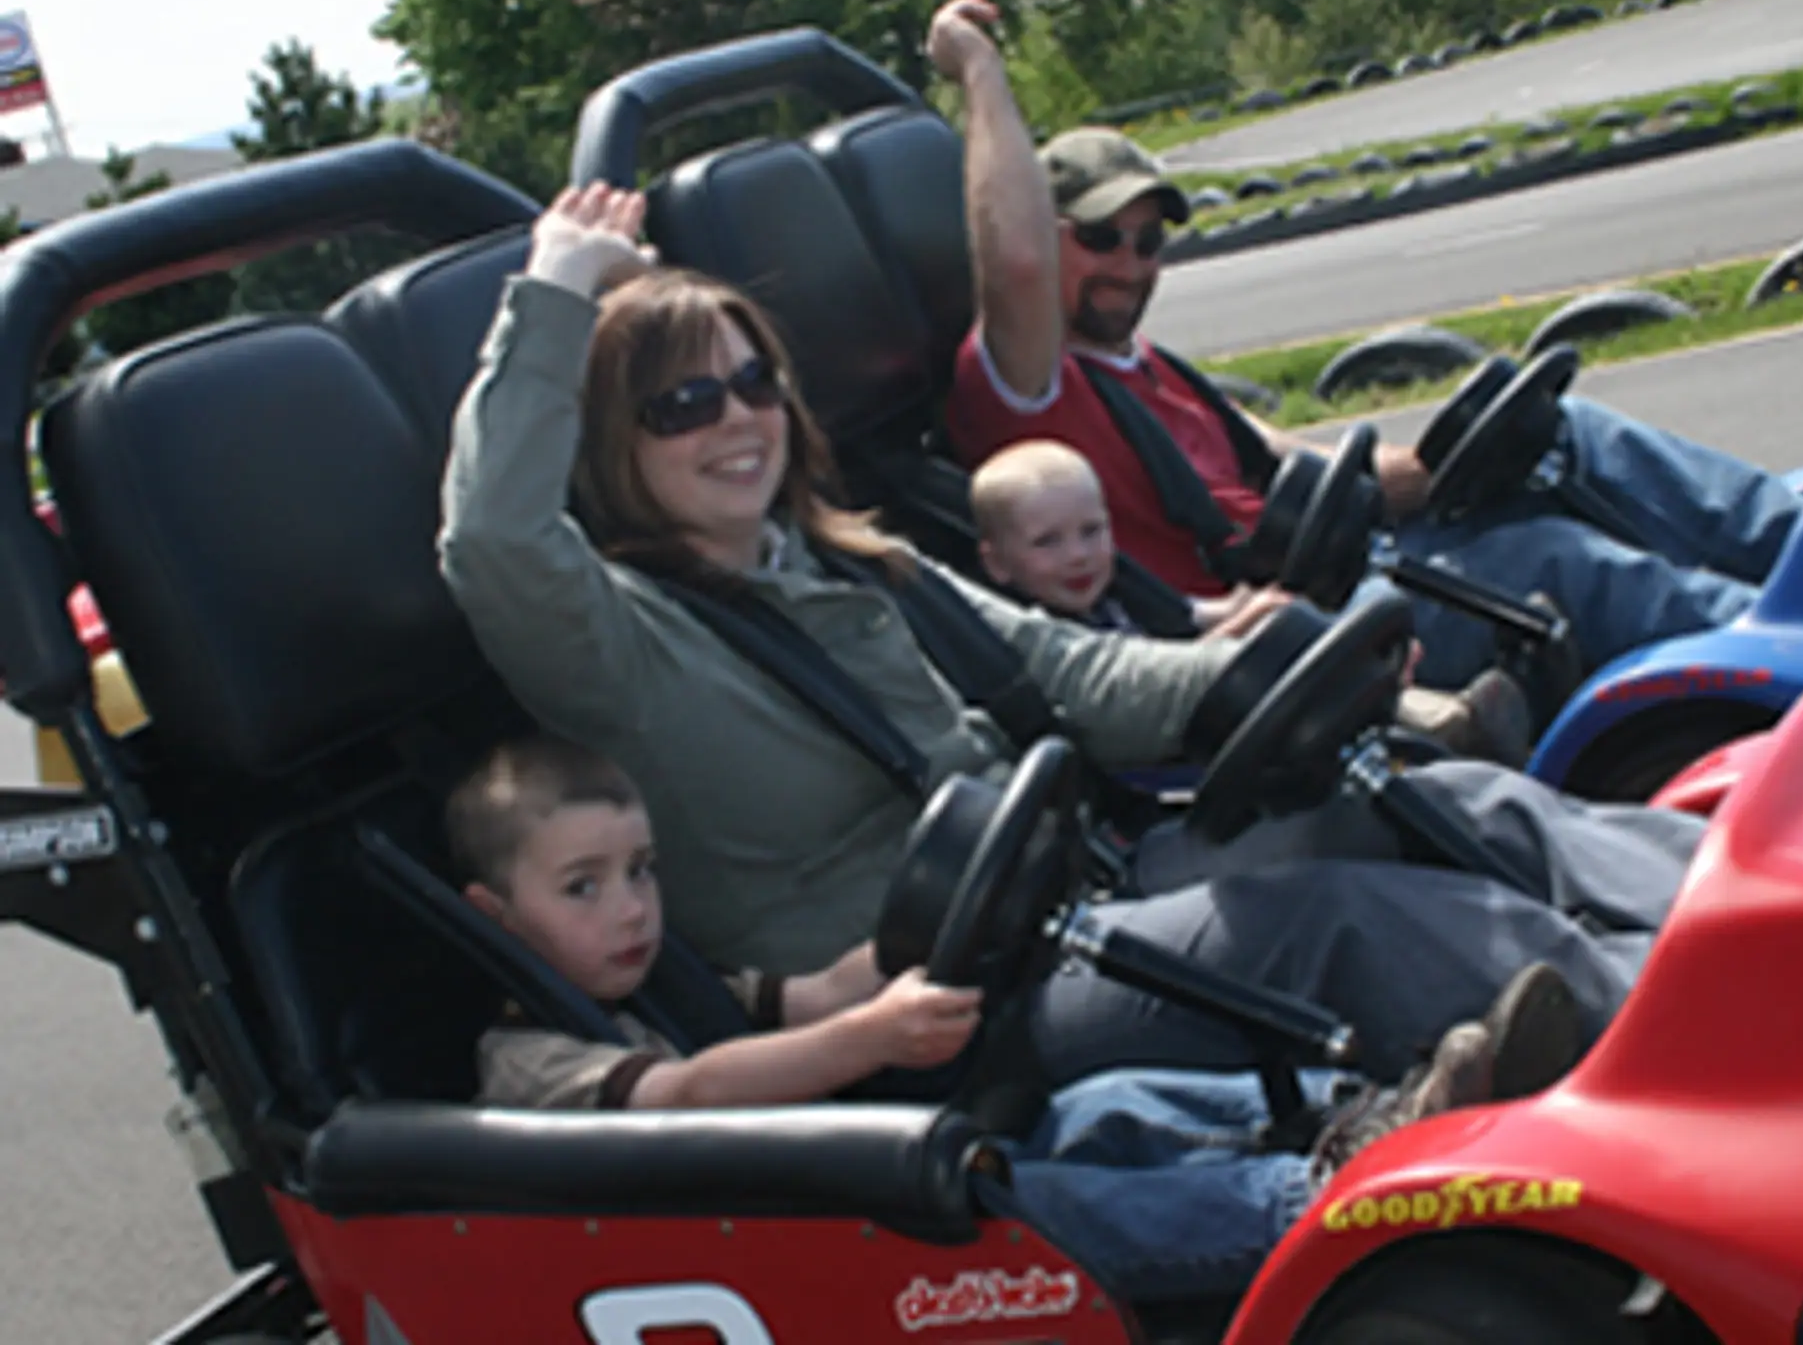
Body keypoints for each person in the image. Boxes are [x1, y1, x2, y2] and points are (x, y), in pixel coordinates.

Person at [437, 179, 1708, 1089]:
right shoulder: (615, 648)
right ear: (614, 445)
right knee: (1330, 923)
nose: (735, 419)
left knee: (1440, 802)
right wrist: (554, 289)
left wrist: (1236, 673)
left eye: (753, 380)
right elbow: (491, 540)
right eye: (682, 403)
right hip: (952, 1009)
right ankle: (1690, 1032)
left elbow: (1063, 665)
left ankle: (1734, 913)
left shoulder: (850, 563)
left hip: (1081, 894)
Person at [452, 731, 1582, 1300]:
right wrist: (870, 1039)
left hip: (851, 1191)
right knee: (1035, 1202)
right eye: (583, 888)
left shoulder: (667, 982)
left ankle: (1379, 1112)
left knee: (1105, 1105)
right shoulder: (528, 1058)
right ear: (493, 918)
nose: (630, 908)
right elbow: (687, 1093)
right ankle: (1312, 1200)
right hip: (805, 1248)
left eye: (641, 871)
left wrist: (966, 912)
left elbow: (818, 993)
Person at [928, 0, 1803, 694]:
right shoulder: (1025, 386)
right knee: (1556, 561)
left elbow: (1296, 464)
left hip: (1346, 566)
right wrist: (976, 66)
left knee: (1573, 436)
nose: (1128, 264)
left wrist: (1450, 462)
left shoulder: (1159, 372)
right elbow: (1013, 261)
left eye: (1147, 241)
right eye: (1099, 238)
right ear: (1049, 237)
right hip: (1277, 632)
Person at [968, 437, 1531, 763]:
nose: (1078, 556)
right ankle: (1447, 723)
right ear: (997, 564)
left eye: (1092, 531)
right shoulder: (1049, 638)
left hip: (1221, 699)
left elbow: (1199, 614)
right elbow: (1157, 686)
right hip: (1176, 743)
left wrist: (1267, 603)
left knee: (1332, 619)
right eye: (1047, 543)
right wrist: (1249, 628)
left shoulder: (1118, 589)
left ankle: (1445, 709)